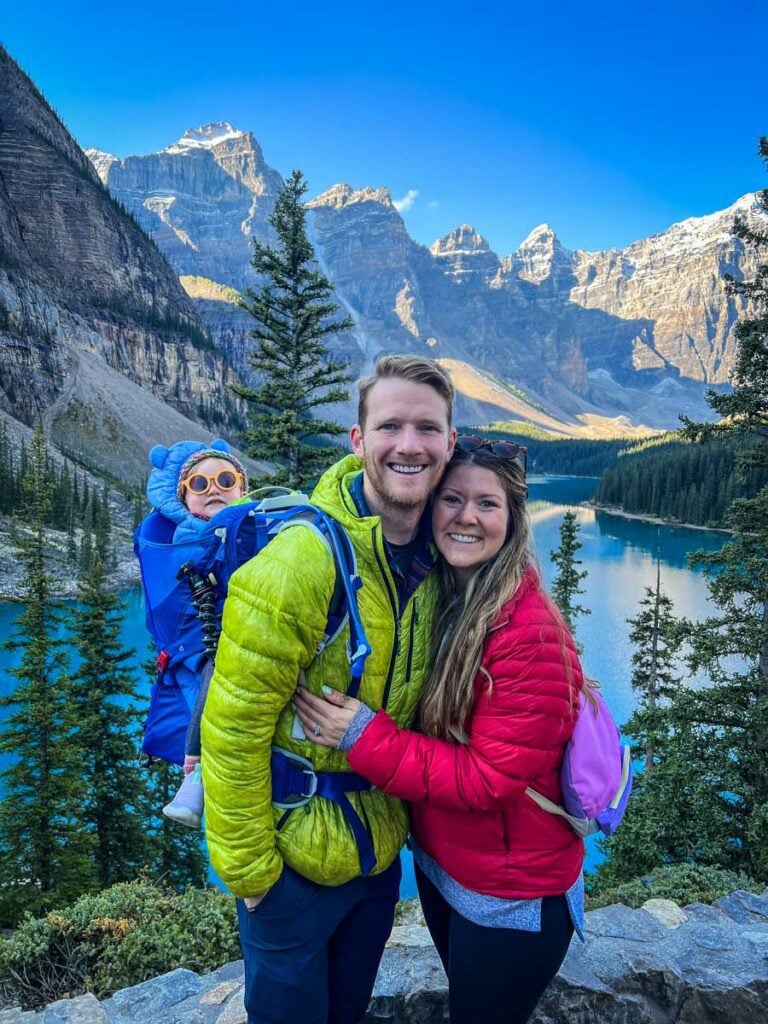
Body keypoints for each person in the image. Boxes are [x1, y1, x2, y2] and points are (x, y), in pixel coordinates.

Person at [200, 355, 457, 1024]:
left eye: (427, 428)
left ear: (449, 444)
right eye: (390, 425)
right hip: (293, 870)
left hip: (374, 867)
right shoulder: (300, 563)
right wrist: (256, 881)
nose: (409, 445)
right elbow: (231, 730)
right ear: (358, 440)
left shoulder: (439, 562)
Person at [296, 436, 586, 1024]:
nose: (467, 518)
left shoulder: (527, 632)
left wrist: (361, 736)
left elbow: (490, 780)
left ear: (514, 518)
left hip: (511, 897)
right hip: (451, 871)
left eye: (488, 504)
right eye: (452, 499)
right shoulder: (450, 598)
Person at [142, 440, 247, 827]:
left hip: (253, 630)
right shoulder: (183, 537)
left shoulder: (262, 527)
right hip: (210, 644)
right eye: (200, 484)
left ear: (242, 489)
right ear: (184, 496)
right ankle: (195, 769)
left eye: (224, 479)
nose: (214, 488)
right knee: (220, 671)